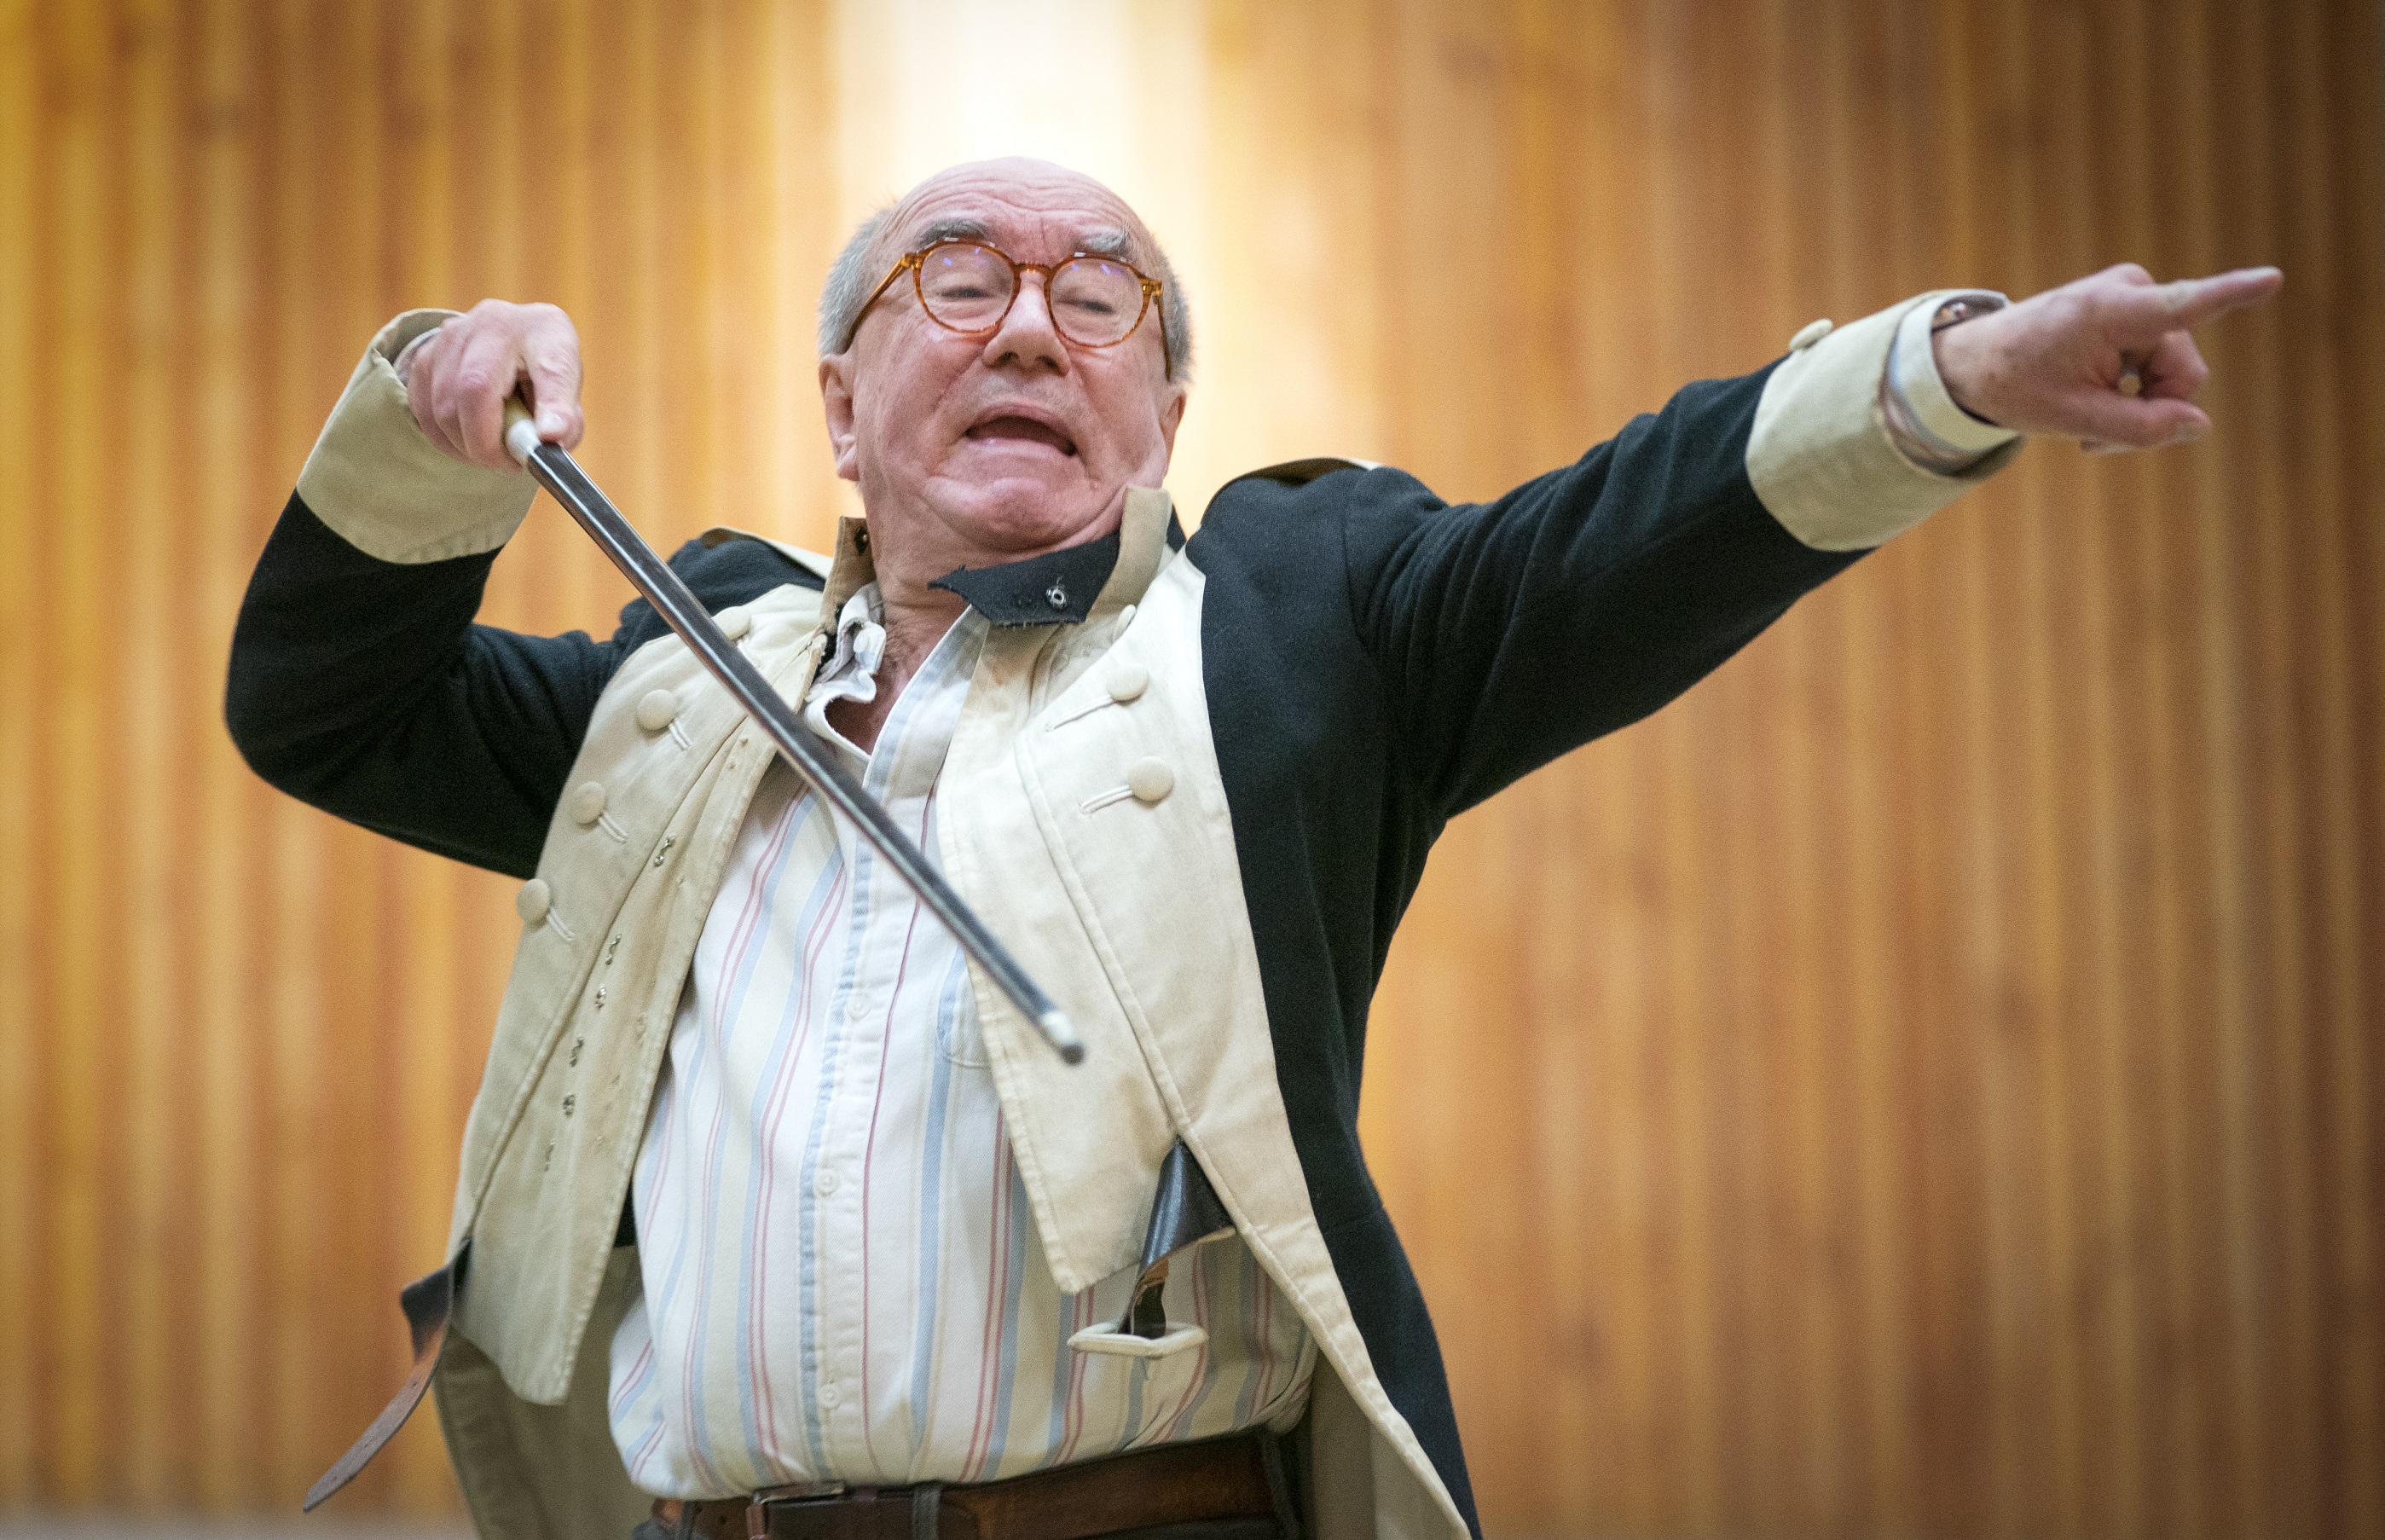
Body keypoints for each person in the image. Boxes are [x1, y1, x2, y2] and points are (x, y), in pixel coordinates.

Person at [226, 156, 2280, 1540]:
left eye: (1097, 298)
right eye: (961, 283)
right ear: (841, 411)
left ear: (1166, 407)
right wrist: (421, 424)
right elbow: (327, 709)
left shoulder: (1291, 644)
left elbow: (1614, 535)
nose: (1031, 325)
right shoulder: (669, 691)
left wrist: (1951, 378)